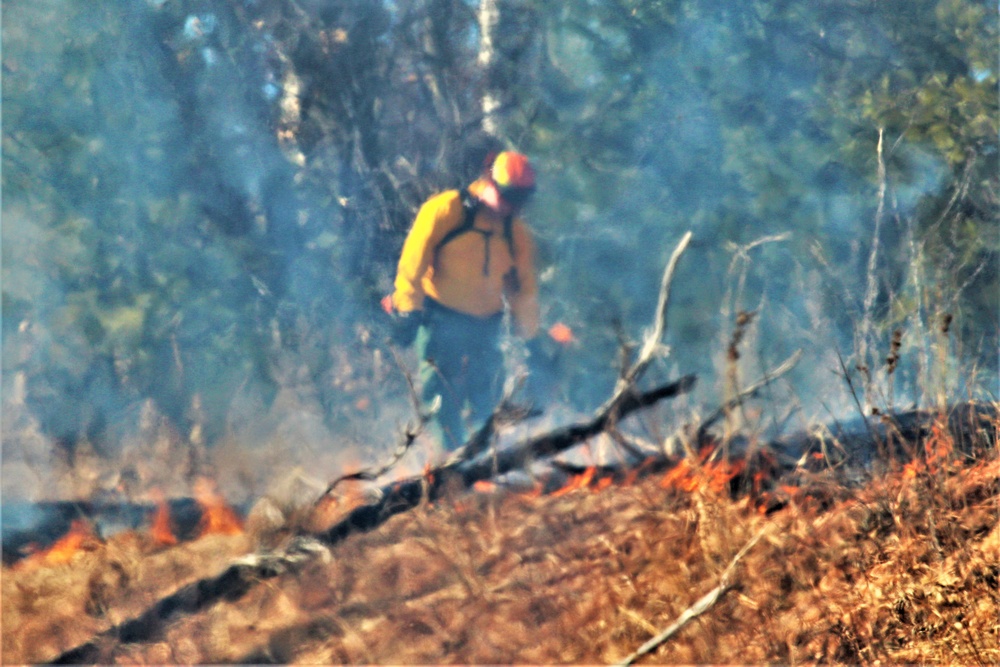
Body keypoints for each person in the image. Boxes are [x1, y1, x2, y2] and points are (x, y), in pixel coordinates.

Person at [383, 150, 551, 451]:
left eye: (521, 200)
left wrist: (531, 339)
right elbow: (413, 263)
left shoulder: (516, 234)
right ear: (490, 182)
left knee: (485, 394)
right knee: (439, 394)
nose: (513, 207)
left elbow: (523, 292)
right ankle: (451, 465)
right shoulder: (446, 210)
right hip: (439, 318)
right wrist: (408, 310)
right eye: (510, 197)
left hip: (486, 325)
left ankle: (483, 460)